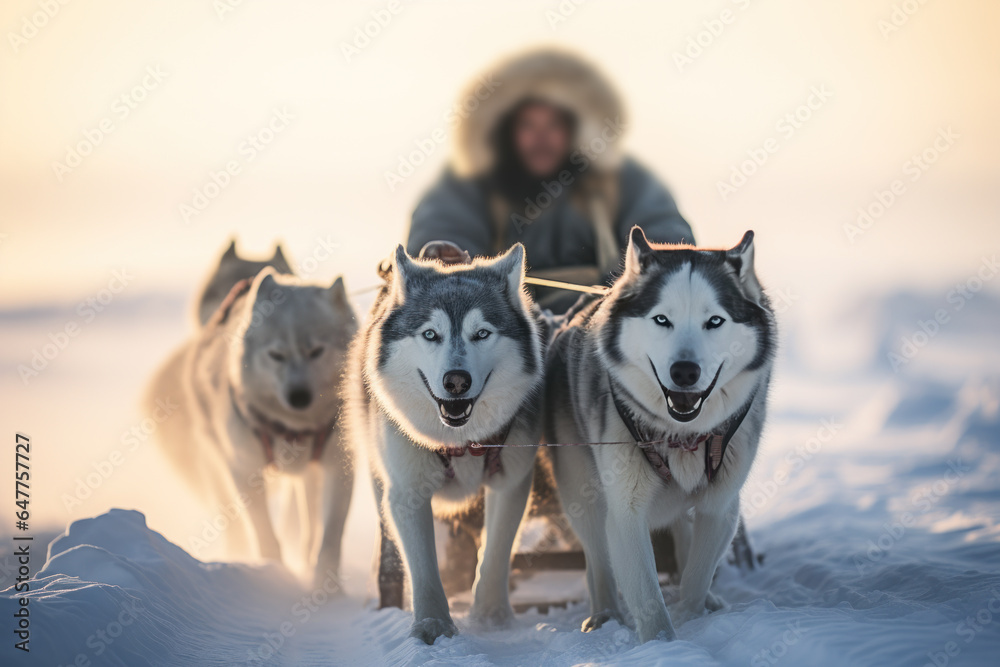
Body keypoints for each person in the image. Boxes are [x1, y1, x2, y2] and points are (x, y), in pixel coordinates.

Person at [406, 48, 694, 312]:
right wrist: (443, 255)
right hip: (497, 332)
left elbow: (662, 232)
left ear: (575, 129)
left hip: (604, 330)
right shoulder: (469, 181)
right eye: (528, 125)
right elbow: (443, 223)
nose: (541, 137)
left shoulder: (623, 179)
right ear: (507, 131)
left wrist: (659, 270)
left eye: (553, 125)